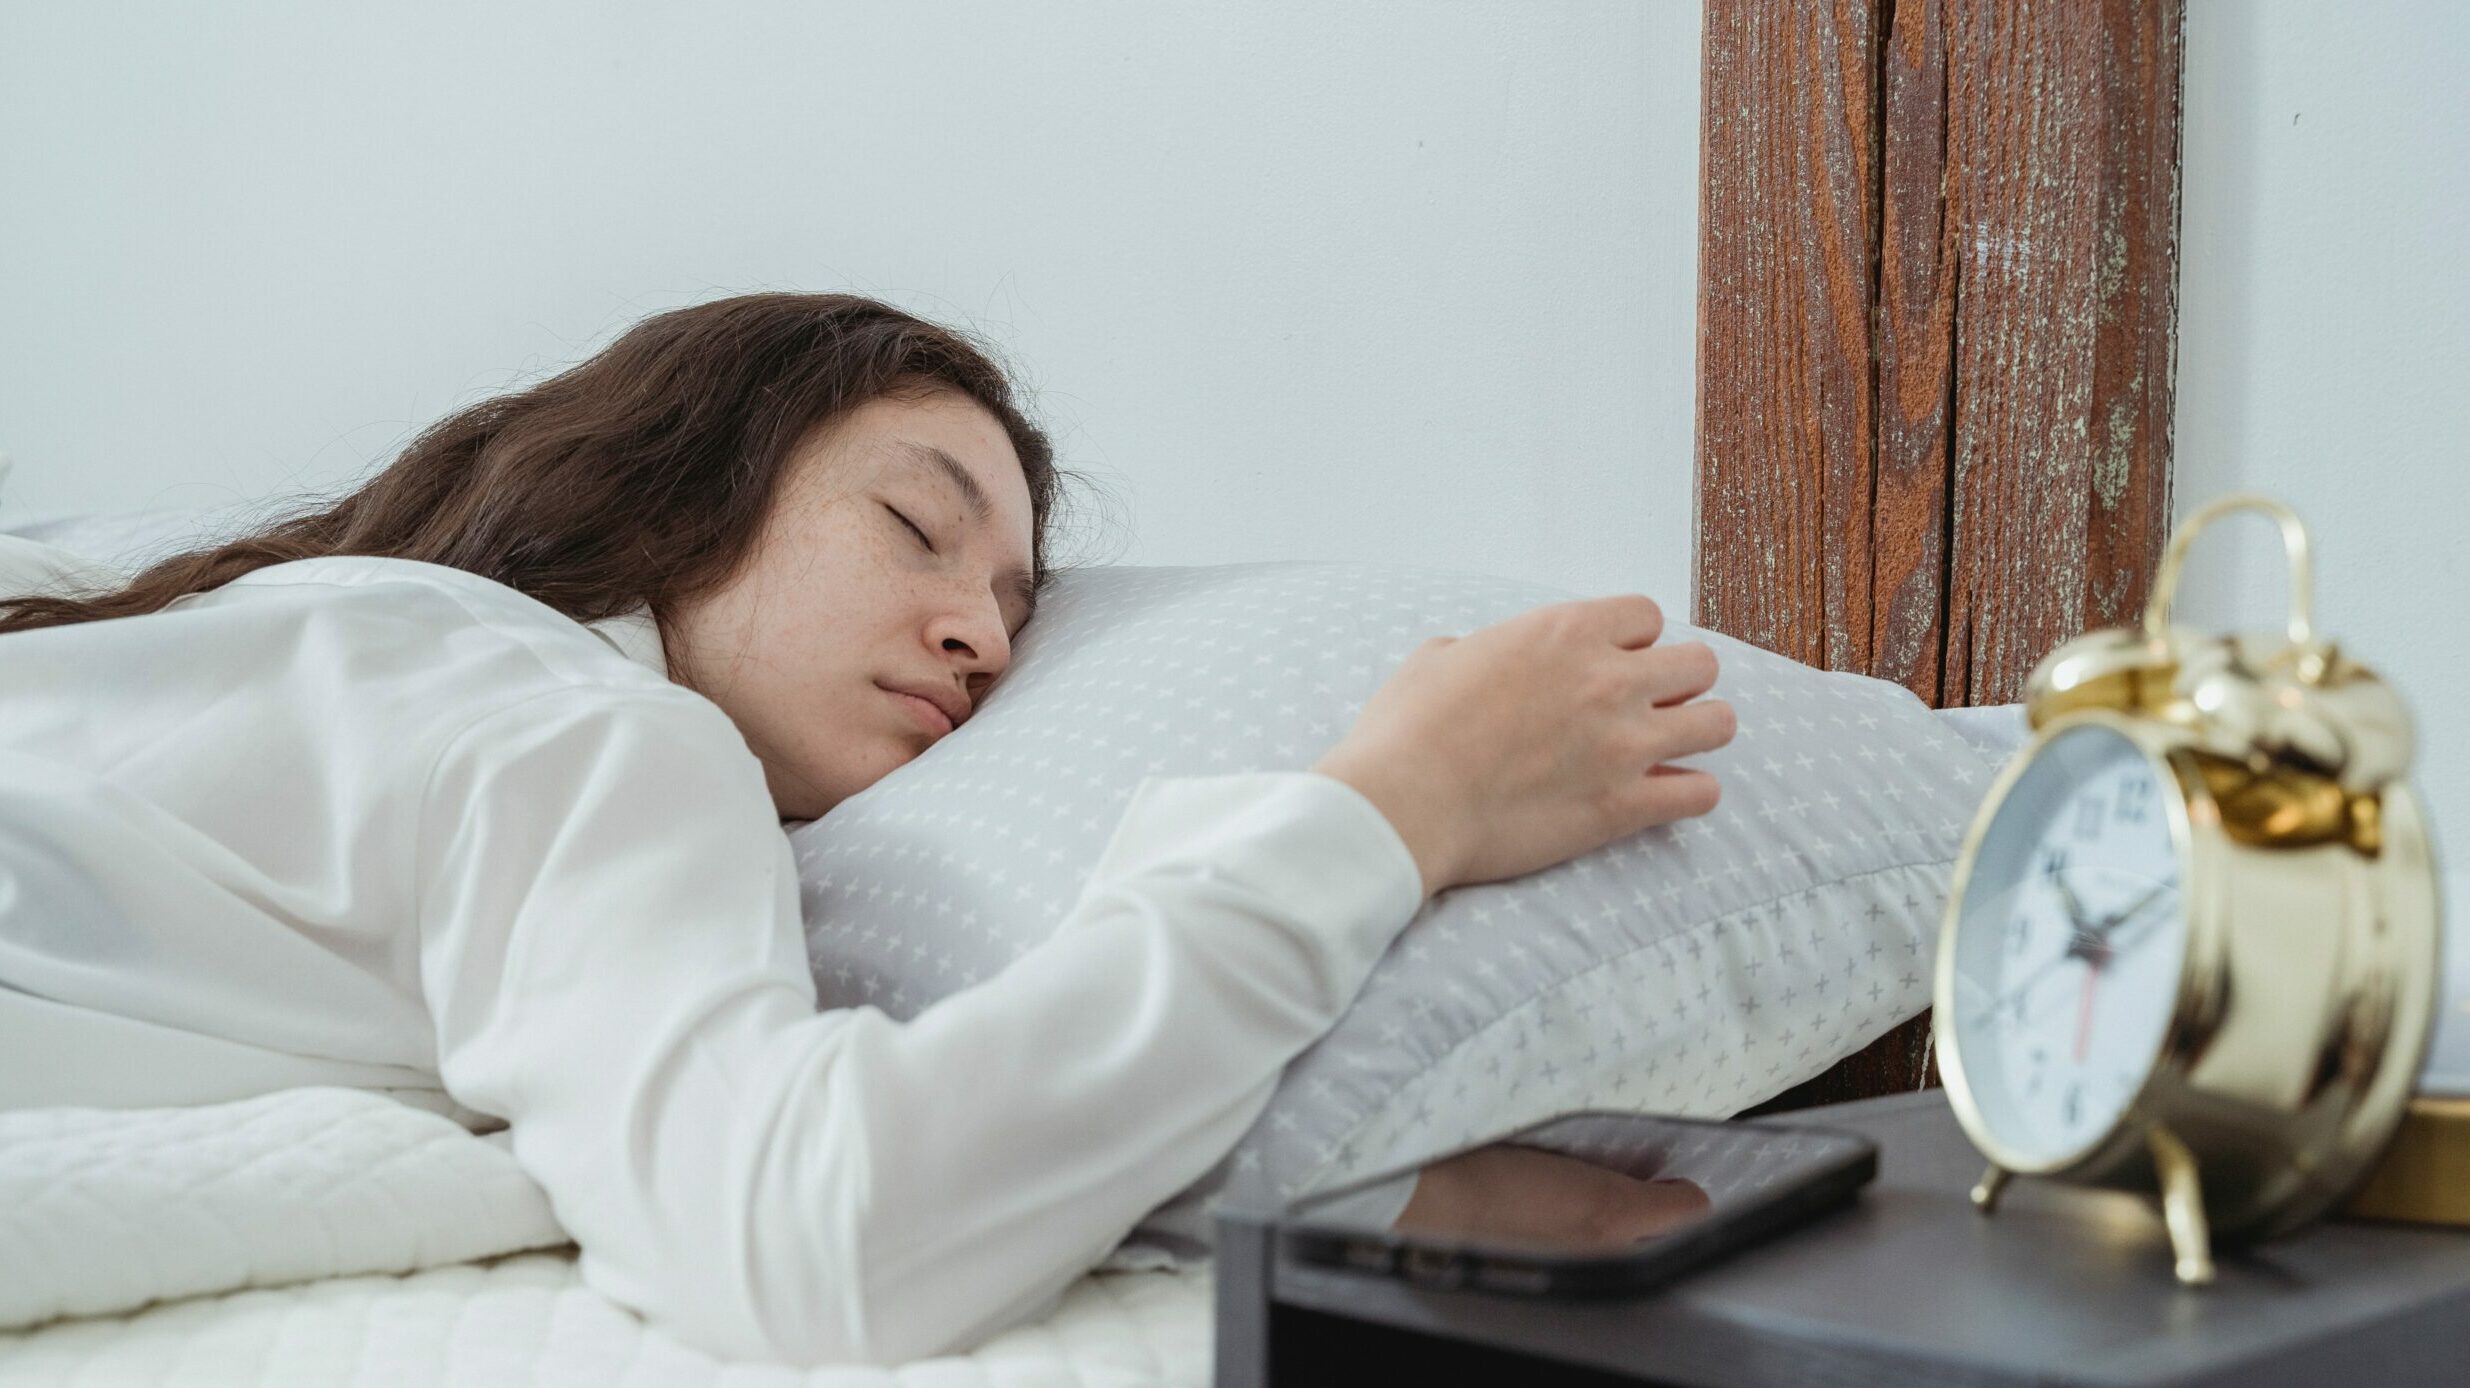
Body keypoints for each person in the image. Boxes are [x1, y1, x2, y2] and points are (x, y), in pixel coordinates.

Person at [0, 292, 1737, 1366]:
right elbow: (805, 1236)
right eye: (917, 527)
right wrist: (1393, 809)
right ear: (680, 481)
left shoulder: (247, 620)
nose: (981, 636)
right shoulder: (575, 726)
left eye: (1017, 610)